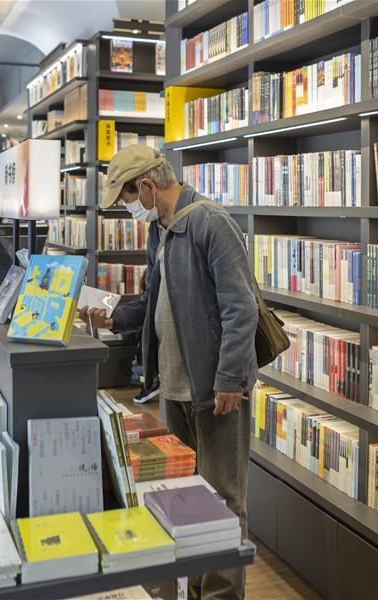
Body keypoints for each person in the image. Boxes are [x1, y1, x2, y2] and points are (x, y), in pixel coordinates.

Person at [79, 145, 258, 600]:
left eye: (126, 200)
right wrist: (113, 316)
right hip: (175, 385)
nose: (128, 209)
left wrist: (230, 380)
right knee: (188, 493)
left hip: (215, 387)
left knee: (224, 497)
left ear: (146, 186)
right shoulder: (160, 231)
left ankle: (221, 594)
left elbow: (241, 309)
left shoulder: (209, 223)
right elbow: (153, 301)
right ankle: (194, 586)